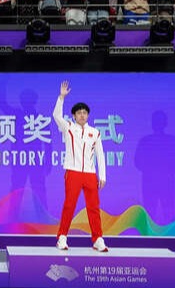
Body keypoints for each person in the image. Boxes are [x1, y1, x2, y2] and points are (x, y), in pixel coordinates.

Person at [52, 80, 108, 252]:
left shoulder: (95, 132)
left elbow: (100, 154)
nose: (82, 115)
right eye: (79, 113)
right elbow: (56, 116)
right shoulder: (68, 128)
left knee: (94, 207)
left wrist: (102, 175)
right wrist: (61, 97)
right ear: (74, 116)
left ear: (88, 115)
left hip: (90, 174)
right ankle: (62, 237)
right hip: (73, 172)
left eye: (84, 113)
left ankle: (98, 239)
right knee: (69, 205)